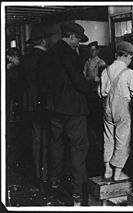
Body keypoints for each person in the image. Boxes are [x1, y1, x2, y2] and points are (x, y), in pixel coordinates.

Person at [41, 22, 96, 202]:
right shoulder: (70, 55)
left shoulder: (49, 54)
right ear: (71, 36)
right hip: (73, 110)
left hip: (54, 109)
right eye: (77, 41)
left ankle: (54, 182)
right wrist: (91, 83)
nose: (77, 45)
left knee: (56, 144)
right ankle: (77, 190)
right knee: (78, 148)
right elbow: (80, 84)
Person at [98, 41, 133, 181]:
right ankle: (117, 173)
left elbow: (101, 93)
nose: (130, 61)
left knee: (108, 138)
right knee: (122, 139)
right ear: (125, 56)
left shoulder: (106, 70)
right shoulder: (129, 73)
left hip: (107, 108)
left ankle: (107, 170)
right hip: (122, 108)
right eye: (130, 58)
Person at [19, 32, 52, 183]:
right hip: (43, 102)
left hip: (28, 103)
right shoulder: (45, 58)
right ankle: (45, 174)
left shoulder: (25, 58)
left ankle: (37, 173)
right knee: (46, 139)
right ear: (44, 41)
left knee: (35, 137)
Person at [6, 48, 21, 120]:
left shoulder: (12, 67)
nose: (9, 59)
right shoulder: (10, 67)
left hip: (14, 92)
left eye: (10, 57)